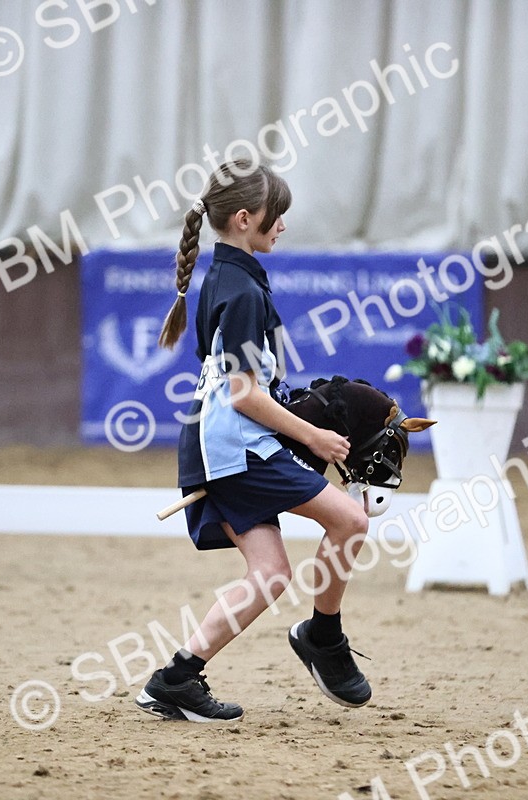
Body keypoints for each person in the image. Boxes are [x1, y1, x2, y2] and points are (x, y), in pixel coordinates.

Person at [134, 160, 372, 723]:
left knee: (269, 576)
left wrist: (287, 421)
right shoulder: (239, 289)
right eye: (277, 216)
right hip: (234, 446)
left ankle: (175, 680)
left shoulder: (227, 277)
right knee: (350, 521)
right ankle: (324, 638)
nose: (283, 226)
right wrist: (313, 435)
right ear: (244, 220)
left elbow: (234, 384)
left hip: (220, 444)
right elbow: (242, 393)